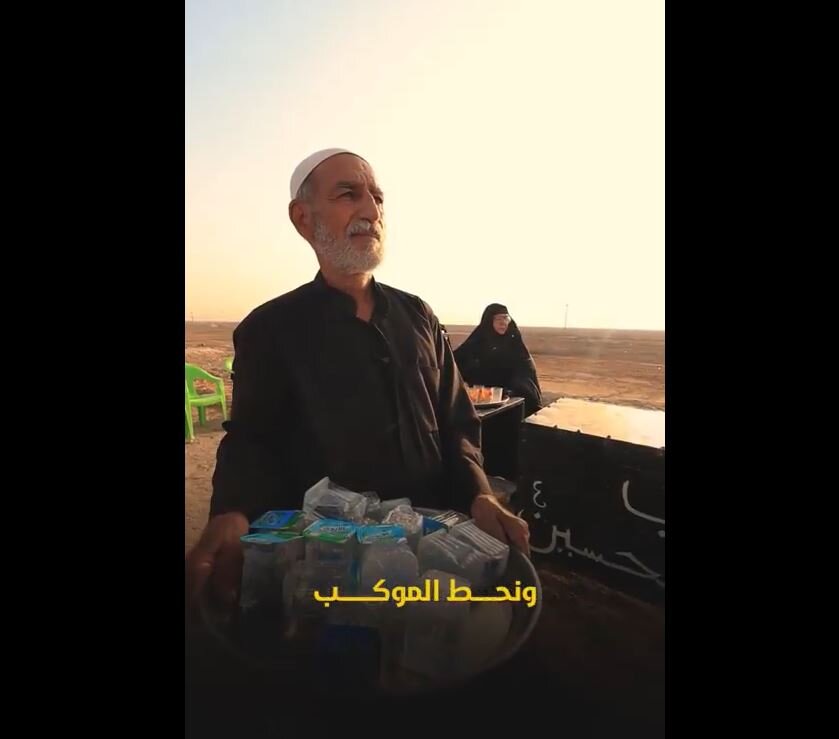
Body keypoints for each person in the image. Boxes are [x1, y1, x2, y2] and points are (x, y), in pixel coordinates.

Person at [185, 148, 529, 612]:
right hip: (328, 561)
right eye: (349, 194)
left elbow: (457, 422)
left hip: (433, 550)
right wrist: (231, 511)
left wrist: (480, 495)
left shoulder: (419, 316)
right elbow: (253, 439)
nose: (371, 210)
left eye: (378, 197)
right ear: (304, 218)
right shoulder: (270, 328)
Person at [453, 303, 543, 416]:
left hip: (513, 400)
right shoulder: (477, 341)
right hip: (484, 403)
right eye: (498, 319)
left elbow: (526, 372)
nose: (503, 322)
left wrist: (513, 389)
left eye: (506, 318)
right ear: (489, 321)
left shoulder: (515, 343)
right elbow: (455, 362)